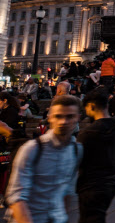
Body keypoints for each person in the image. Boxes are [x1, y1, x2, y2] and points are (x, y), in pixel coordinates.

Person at [5, 95, 82, 223]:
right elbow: (17, 198)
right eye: (58, 116)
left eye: (70, 116)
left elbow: (66, 191)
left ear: (78, 118)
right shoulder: (32, 149)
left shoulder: (76, 150)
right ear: (50, 117)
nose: (63, 121)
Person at [78, 86, 115, 223]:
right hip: (110, 182)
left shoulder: (87, 133)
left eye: (86, 108)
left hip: (90, 185)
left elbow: (79, 161)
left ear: (91, 106)